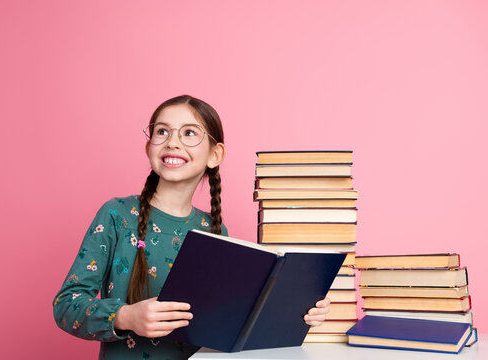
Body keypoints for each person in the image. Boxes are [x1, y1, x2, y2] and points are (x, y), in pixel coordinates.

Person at [52, 95, 331, 359]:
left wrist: (295, 311)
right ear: (148, 146)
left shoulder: (215, 231)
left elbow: (229, 319)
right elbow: (66, 304)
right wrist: (126, 317)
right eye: (162, 131)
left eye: (188, 133)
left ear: (215, 154)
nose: (172, 142)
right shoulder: (116, 214)